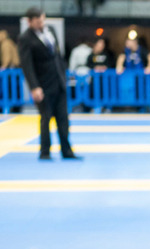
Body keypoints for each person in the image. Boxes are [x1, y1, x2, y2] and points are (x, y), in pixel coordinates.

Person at [17, 8, 79, 161]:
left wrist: (63, 73)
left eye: (42, 20)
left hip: (59, 80)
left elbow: (57, 55)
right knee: (46, 118)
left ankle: (67, 150)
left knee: (63, 118)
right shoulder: (25, 38)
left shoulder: (50, 30)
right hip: (42, 85)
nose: (41, 24)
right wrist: (34, 87)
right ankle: (45, 151)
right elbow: (27, 65)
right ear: (29, 21)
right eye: (37, 22)